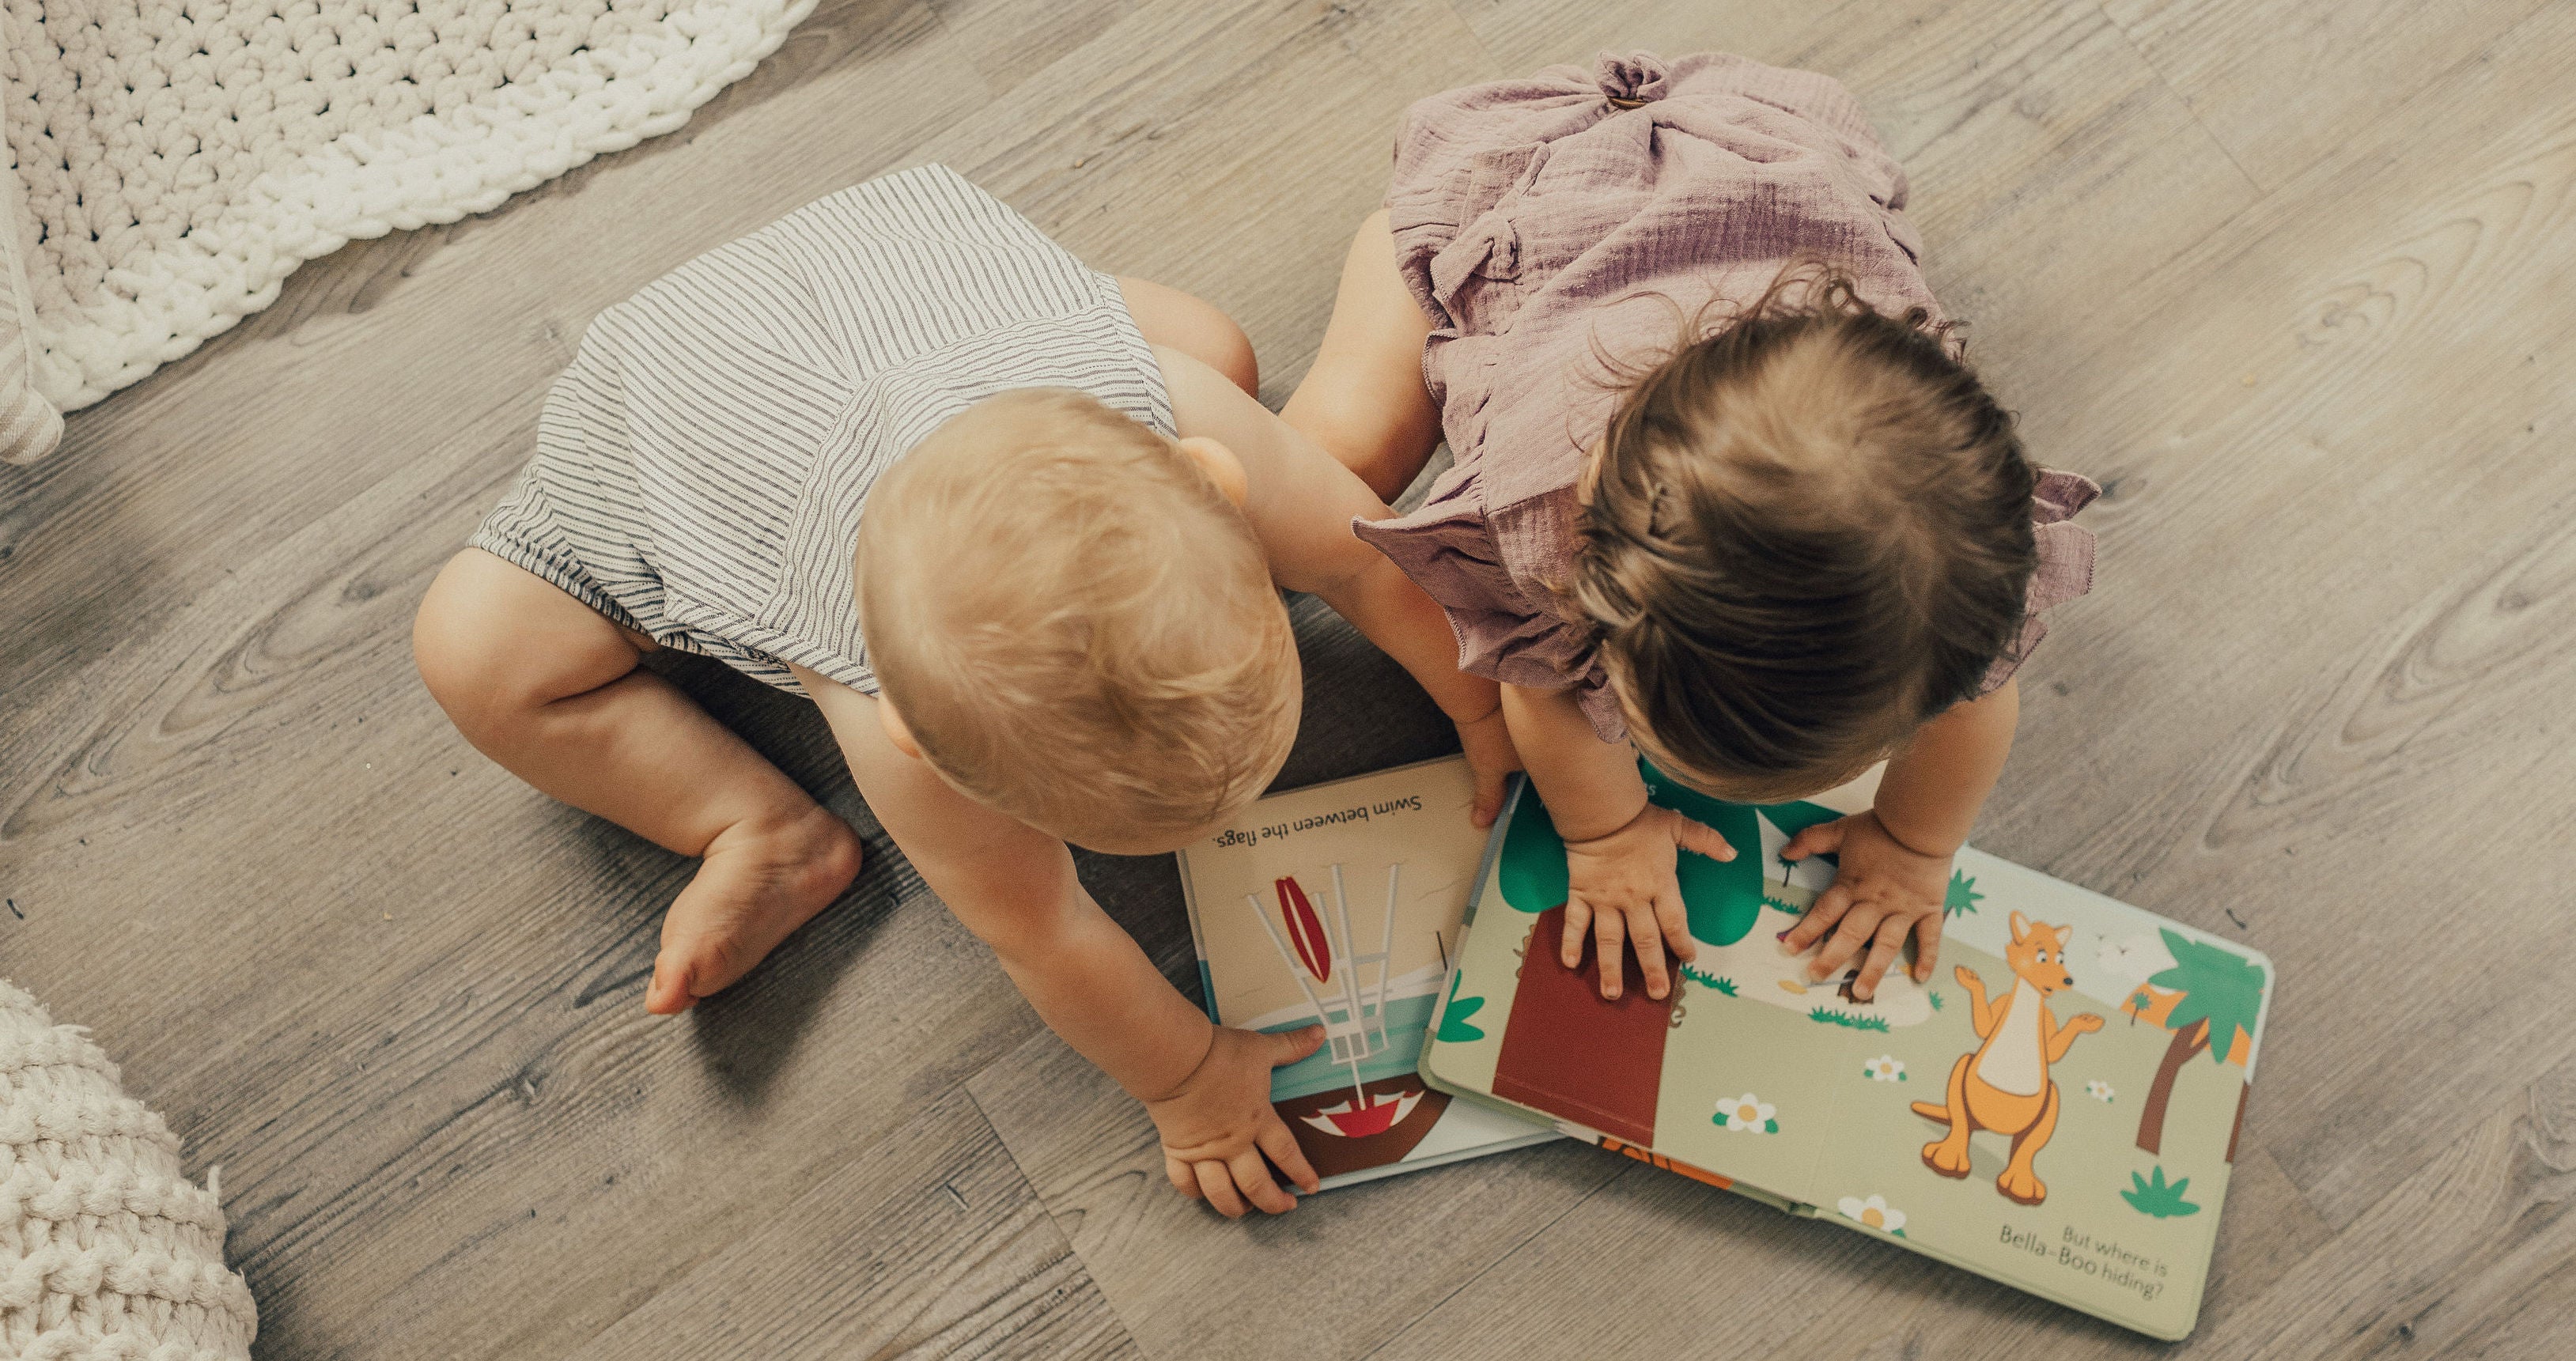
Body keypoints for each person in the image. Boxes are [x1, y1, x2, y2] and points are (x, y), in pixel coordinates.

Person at [410, 164, 1513, 1216]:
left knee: (1218, 353)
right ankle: (754, 826)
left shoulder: (1175, 413)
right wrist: (1186, 1082)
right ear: (916, 740)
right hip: (675, 419)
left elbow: (1366, 561)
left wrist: (1477, 700)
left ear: (1208, 484)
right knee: (474, 653)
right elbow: (1043, 930)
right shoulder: (881, 712)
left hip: (902, 283)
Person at [1281, 51, 2097, 1007]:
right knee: (1333, 466)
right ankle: (1399, 242)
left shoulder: (1953, 573)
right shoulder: (1543, 531)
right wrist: (1606, 834)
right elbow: (1541, 699)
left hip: (1774, 169)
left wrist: (1915, 848)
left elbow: (1971, 706)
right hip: (1522, 209)